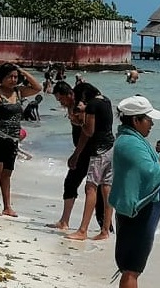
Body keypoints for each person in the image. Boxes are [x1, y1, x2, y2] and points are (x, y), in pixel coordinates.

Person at [109, 96, 160, 288]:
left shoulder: (131, 139)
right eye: (149, 120)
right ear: (136, 120)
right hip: (139, 213)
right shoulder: (130, 143)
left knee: (131, 268)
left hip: (137, 212)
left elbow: (142, 168)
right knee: (132, 269)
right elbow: (149, 173)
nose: (152, 124)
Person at [0, 63, 42, 216]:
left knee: (7, 173)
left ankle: (7, 206)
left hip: (13, 138)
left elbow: (37, 88)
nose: (13, 79)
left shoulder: (19, 92)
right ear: (2, 78)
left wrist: (23, 71)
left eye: (15, 77)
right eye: (10, 76)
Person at [47, 81, 108, 231]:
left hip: (87, 150)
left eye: (61, 99)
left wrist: (76, 154)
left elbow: (85, 134)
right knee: (91, 186)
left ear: (69, 95)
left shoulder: (81, 106)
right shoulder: (74, 106)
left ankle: (99, 226)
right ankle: (103, 227)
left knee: (83, 185)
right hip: (90, 150)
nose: (60, 103)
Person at [66, 83, 115, 241]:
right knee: (106, 188)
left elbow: (89, 131)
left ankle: (82, 230)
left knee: (91, 187)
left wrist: (78, 121)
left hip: (98, 151)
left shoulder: (92, 105)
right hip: (111, 148)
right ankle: (105, 230)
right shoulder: (106, 101)